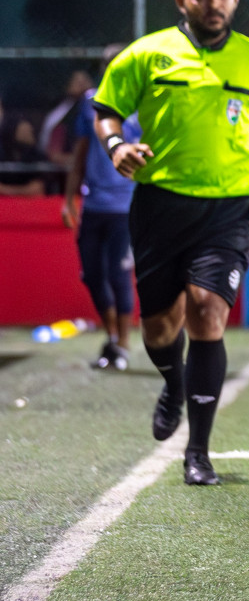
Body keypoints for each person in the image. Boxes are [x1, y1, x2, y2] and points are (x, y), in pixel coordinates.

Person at [90, 0, 249, 486]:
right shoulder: (146, 55)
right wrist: (117, 145)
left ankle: (199, 452)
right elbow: (105, 111)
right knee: (161, 328)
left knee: (208, 312)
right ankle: (172, 381)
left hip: (229, 207)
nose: (215, 3)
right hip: (160, 205)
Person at [62, 57, 138, 371]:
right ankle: (111, 336)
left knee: (118, 274)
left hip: (126, 206)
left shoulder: (143, 103)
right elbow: (81, 152)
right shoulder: (91, 102)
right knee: (92, 274)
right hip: (93, 204)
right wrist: (69, 199)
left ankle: (123, 344)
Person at [0, 114, 52, 197]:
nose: (30, 131)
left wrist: (8, 191)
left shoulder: (38, 157)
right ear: (13, 132)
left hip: (31, 205)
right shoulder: (2, 154)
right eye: (25, 130)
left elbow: (38, 190)